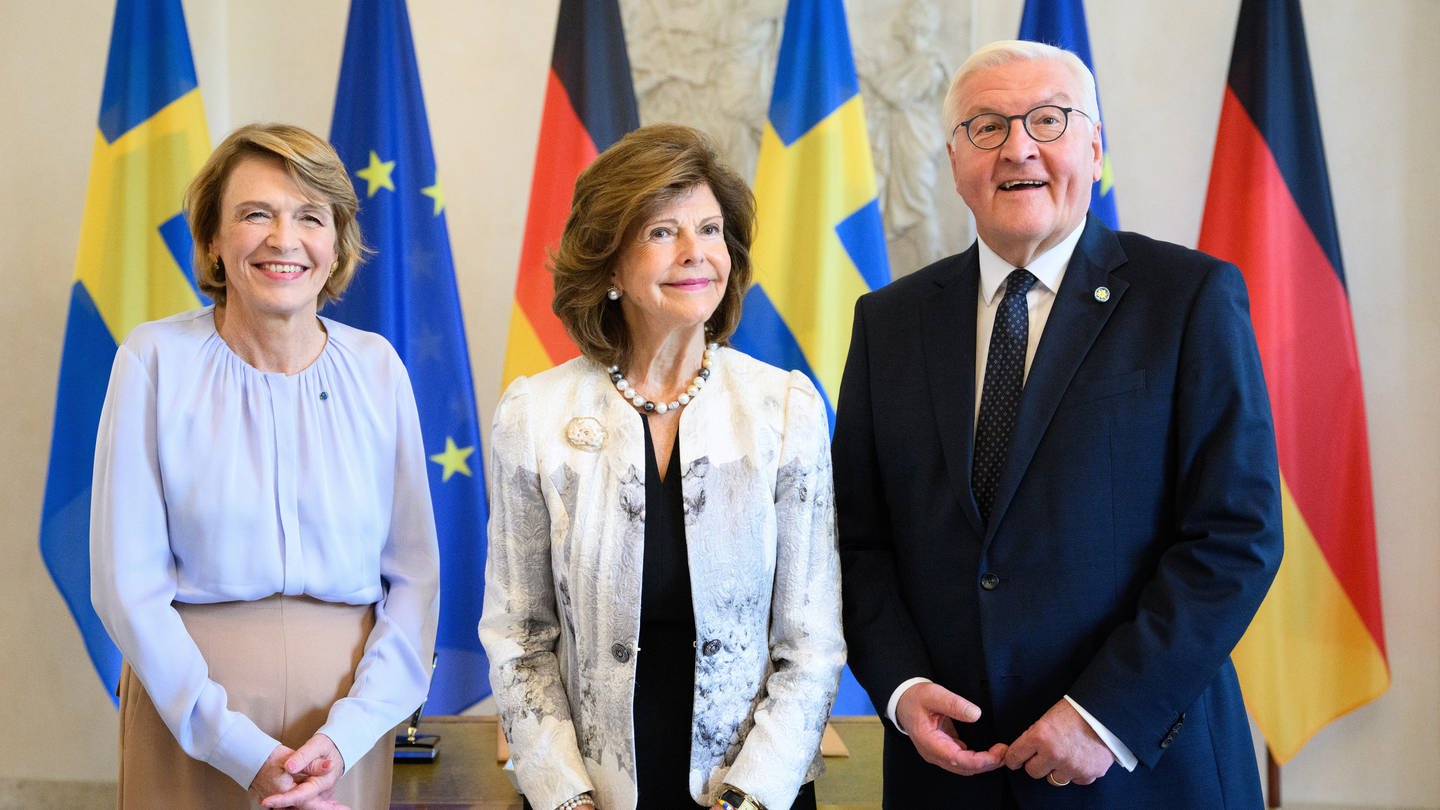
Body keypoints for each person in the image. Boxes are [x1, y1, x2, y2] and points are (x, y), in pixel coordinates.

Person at [832, 40, 1283, 808]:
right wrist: (903, 689)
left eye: (1048, 120)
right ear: (953, 159)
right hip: (949, 773)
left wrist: (1101, 716)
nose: (1018, 149)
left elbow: (1234, 536)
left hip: (1140, 770)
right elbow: (857, 539)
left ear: (1095, 147)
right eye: (986, 127)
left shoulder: (1189, 298)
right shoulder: (889, 322)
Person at [479, 123, 844, 810]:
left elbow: (812, 643)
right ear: (610, 264)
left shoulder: (783, 409)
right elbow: (519, 635)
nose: (694, 254)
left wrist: (750, 796)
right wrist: (566, 795)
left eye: (709, 230)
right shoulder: (534, 416)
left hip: (749, 793)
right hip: (586, 793)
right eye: (661, 232)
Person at [90, 123, 440, 810]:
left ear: (336, 241)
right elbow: (125, 585)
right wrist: (235, 747)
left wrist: (349, 735)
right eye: (256, 214)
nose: (284, 239)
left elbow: (416, 579)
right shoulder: (153, 361)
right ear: (214, 239)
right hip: (190, 716)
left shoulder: (378, 370)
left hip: (343, 721)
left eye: (310, 216)